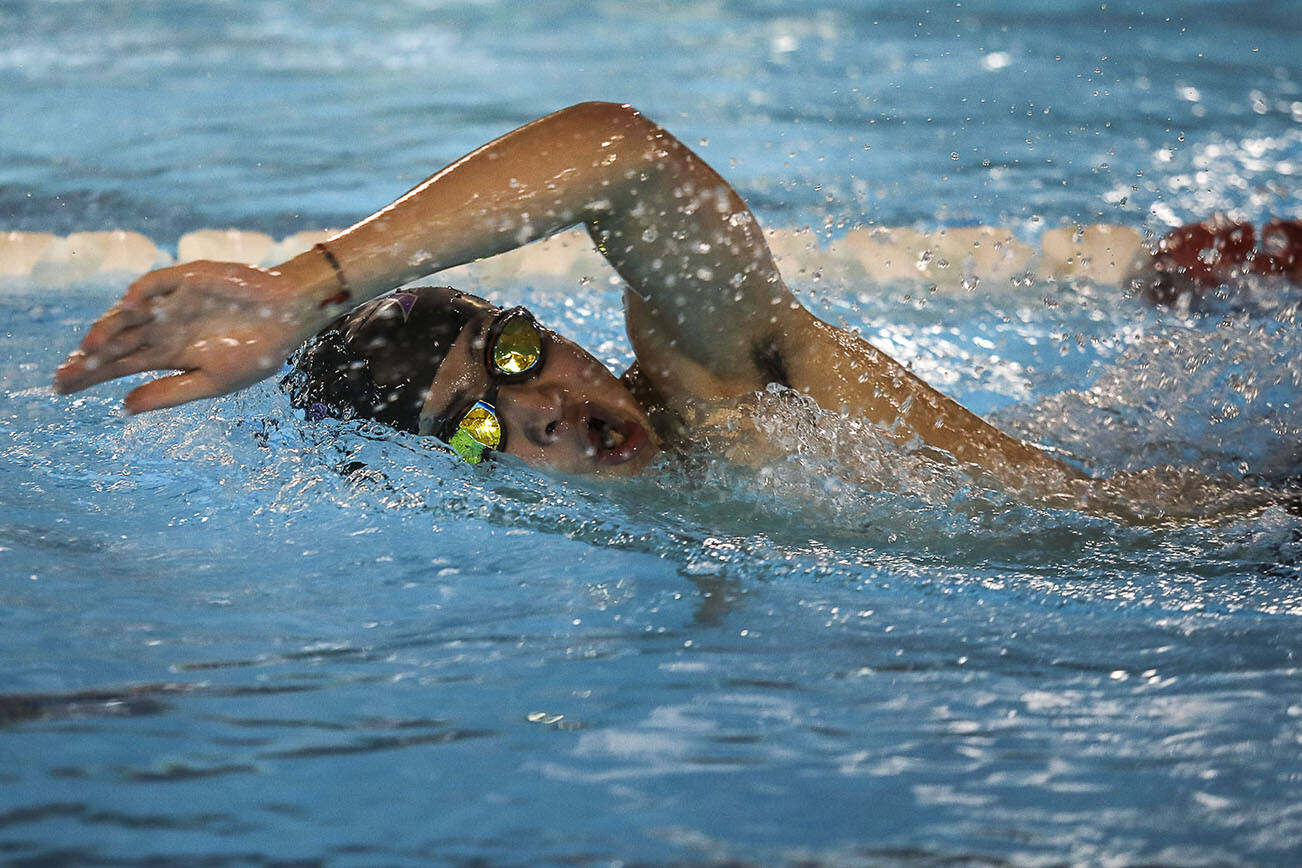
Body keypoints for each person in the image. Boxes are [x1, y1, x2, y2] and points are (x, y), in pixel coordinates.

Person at [50, 102, 1296, 515]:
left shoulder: (710, 382)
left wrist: (305, 288)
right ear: (456, 480)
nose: (543, 411)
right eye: (480, 430)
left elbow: (623, 156)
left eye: (521, 352)